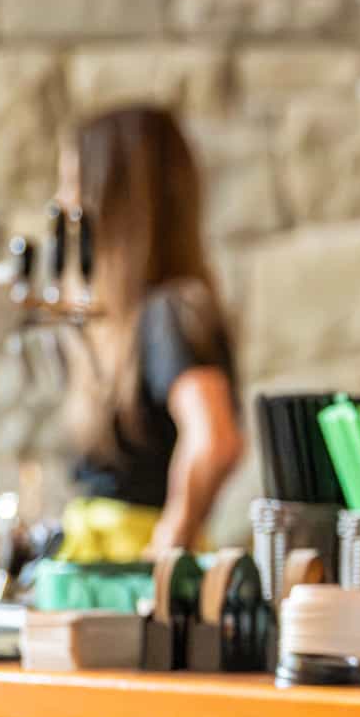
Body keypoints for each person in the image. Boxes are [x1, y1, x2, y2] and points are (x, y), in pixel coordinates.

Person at [57, 105, 241, 562]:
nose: (63, 203)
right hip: (105, 563)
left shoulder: (168, 313)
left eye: (73, 183)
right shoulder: (146, 316)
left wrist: (168, 542)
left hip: (130, 571)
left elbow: (215, 440)